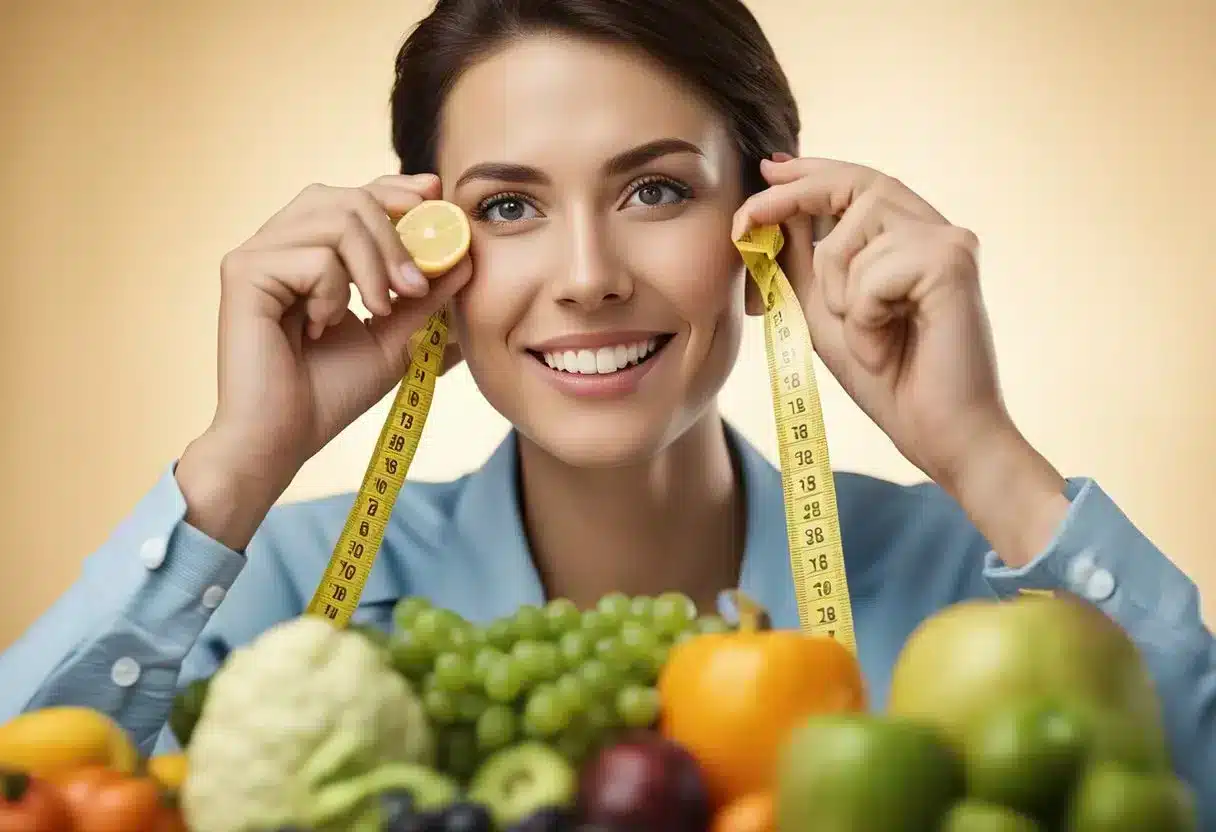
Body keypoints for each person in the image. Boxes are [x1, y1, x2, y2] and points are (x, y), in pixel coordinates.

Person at [2, 0, 1213, 821]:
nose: (586, 276)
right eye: (509, 207)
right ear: (427, 242)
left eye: (654, 191)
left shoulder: (971, 581)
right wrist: (233, 465)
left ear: (766, 224)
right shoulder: (273, 593)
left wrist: (985, 454)